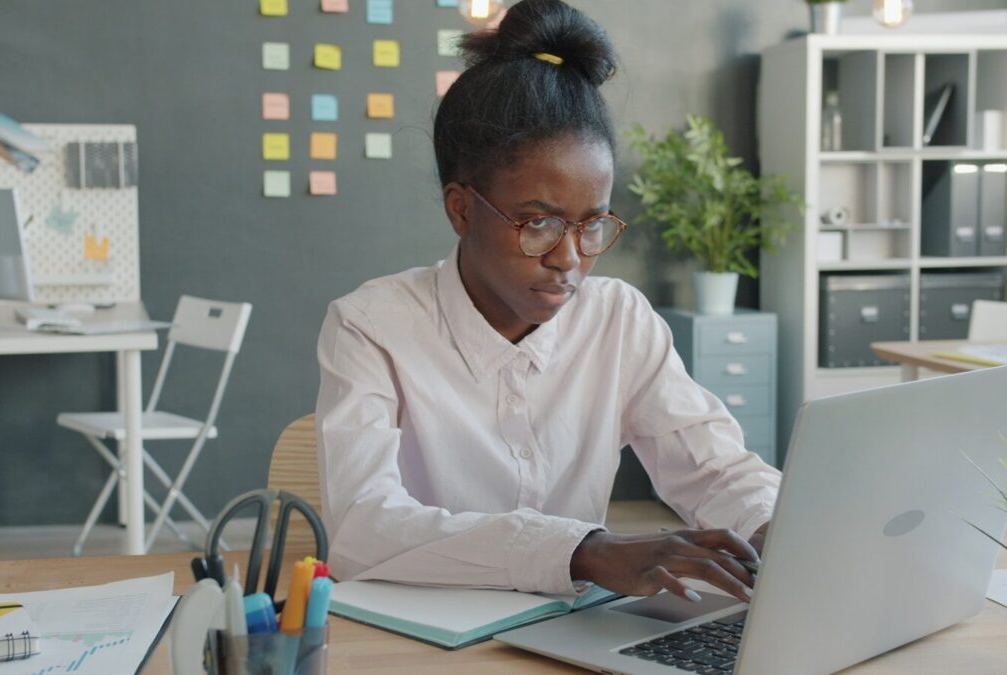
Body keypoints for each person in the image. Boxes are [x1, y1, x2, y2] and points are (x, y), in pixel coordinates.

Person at [315, 0, 779, 603]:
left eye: (592, 225)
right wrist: (583, 551)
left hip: (570, 633)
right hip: (421, 639)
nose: (569, 259)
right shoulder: (371, 326)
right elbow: (361, 529)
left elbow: (716, 469)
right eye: (537, 223)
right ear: (460, 209)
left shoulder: (617, 320)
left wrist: (773, 528)